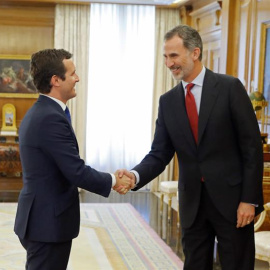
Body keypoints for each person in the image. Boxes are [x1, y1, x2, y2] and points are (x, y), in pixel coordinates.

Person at [117, 25, 264, 270]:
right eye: (165, 56)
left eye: (174, 55)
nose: (168, 63)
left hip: (233, 201)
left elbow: (252, 149)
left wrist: (249, 200)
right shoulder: (168, 102)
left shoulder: (230, 88)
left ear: (195, 53)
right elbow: (159, 153)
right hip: (192, 203)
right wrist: (134, 175)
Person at [14, 48, 133, 270]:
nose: (77, 78)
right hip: (46, 222)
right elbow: (76, 171)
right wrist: (115, 181)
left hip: (42, 218)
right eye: (73, 74)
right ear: (56, 80)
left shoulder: (44, 111)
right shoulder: (50, 117)